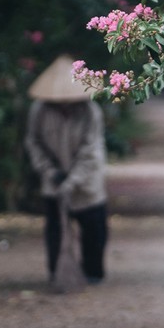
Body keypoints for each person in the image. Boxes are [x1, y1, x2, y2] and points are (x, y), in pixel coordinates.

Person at [23, 55, 108, 284]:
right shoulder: (39, 110)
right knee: (55, 229)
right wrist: (50, 172)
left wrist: (73, 180)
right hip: (53, 180)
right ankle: (57, 272)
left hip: (87, 183)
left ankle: (93, 273)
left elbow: (91, 150)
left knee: (94, 229)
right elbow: (34, 142)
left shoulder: (91, 111)